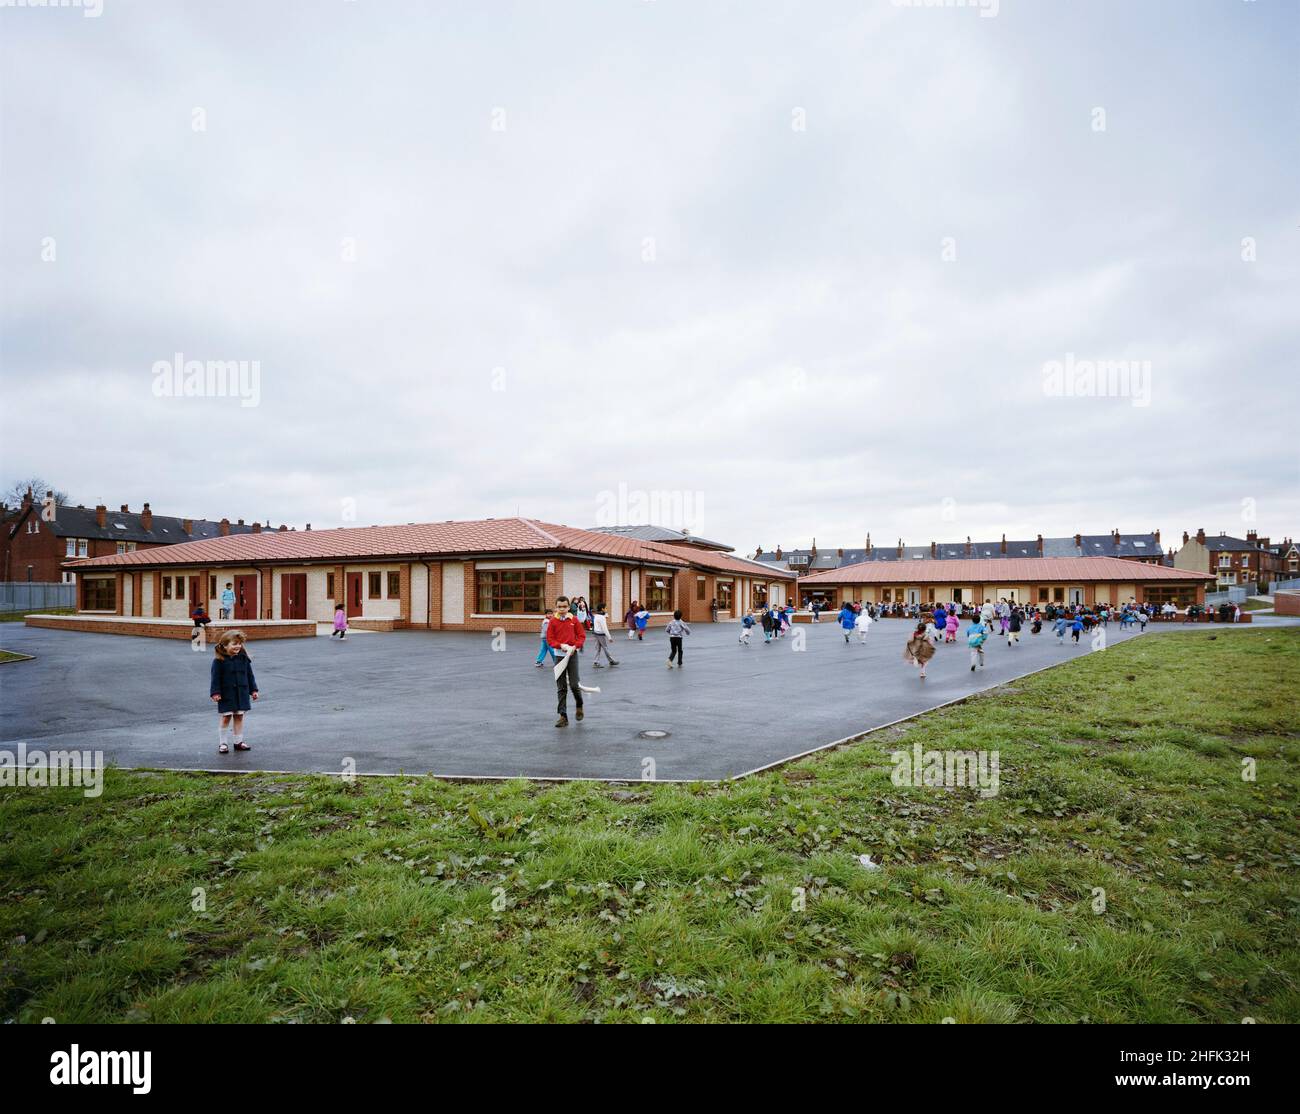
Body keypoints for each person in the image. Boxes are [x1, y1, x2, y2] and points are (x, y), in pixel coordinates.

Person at [210, 629, 258, 754]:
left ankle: (238, 742)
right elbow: (215, 679)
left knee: (239, 716)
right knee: (226, 717)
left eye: (239, 643)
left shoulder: (244, 659)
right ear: (225, 645)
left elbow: (250, 675)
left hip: (241, 693)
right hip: (226, 694)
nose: (238, 646)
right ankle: (223, 743)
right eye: (234, 643)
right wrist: (215, 693)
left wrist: (253, 690)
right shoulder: (218, 661)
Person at [547, 595, 587, 728]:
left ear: (569, 607)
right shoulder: (553, 621)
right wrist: (561, 646)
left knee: (575, 685)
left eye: (564, 606)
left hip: (572, 655)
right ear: (556, 607)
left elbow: (581, 636)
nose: (562, 609)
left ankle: (579, 705)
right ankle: (563, 716)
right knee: (561, 687)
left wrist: (576, 646)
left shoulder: (574, 620)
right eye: (559, 607)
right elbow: (550, 639)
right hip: (559, 657)